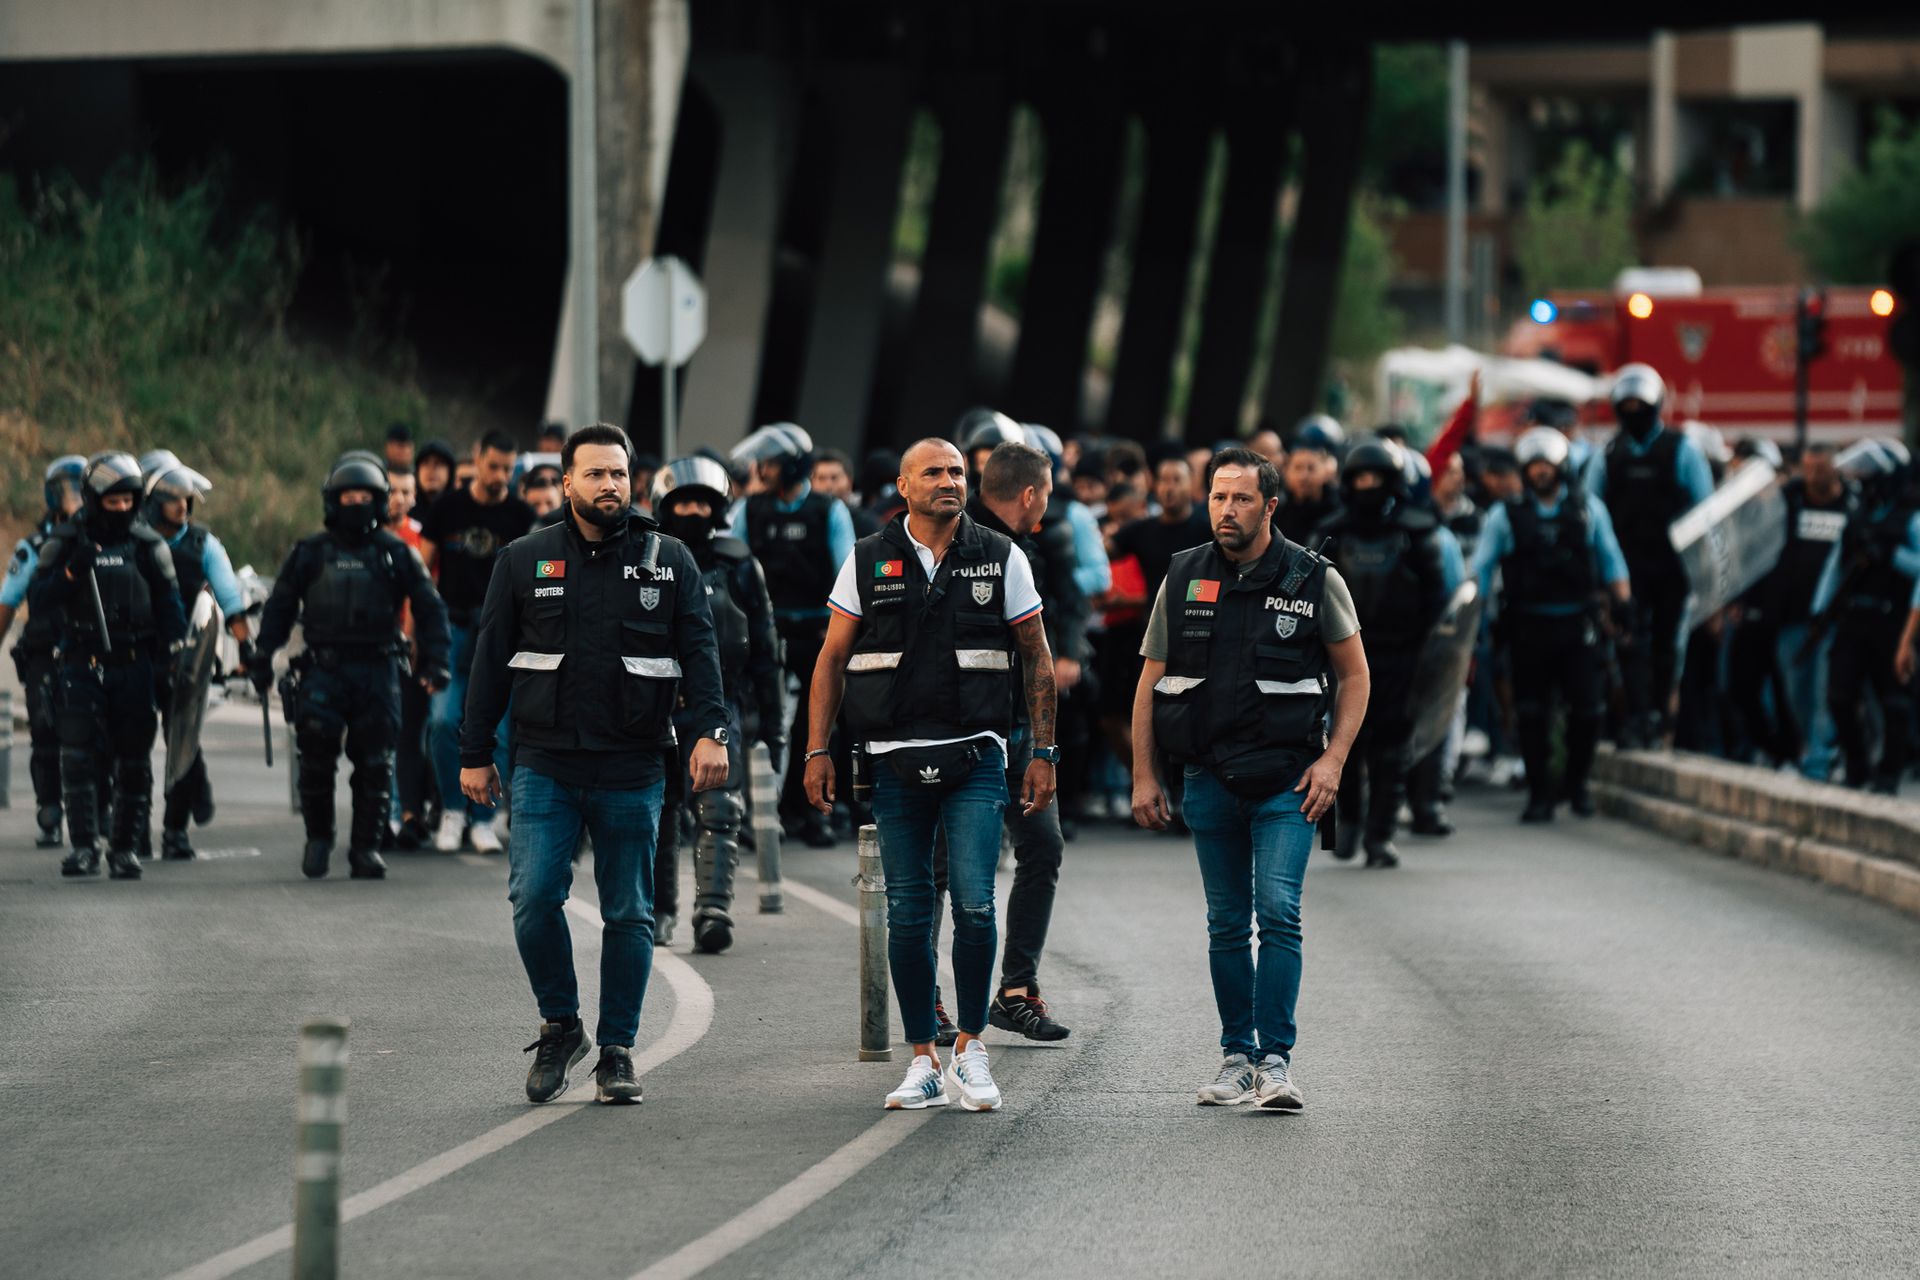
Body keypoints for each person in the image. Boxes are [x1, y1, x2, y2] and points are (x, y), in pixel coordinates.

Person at [459, 423, 729, 1105]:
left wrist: (710, 732)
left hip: (634, 764)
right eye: (596, 474)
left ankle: (616, 1050)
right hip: (545, 762)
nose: (610, 485)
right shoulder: (524, 559)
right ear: (567, 481)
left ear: (632, 480)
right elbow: (489, 660)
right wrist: (473, 754)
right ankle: (561, 1024)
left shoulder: (669, 559)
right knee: (532, 899)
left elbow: (701, 654)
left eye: (619, 473)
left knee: (629, 913)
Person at [805, 437, 1057, 1113]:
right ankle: (922, 1059)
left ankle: (971, 1050)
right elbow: (830, 660)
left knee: (974, 903)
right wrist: (815, 750)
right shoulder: (866, 559)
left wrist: (1043, 752)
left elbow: (1037, 657)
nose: (949, 481)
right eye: (934, 473)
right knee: (911, 914)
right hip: (891, 764)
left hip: (976, 758)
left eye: (956, 472)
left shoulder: (1002, 556)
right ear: (903, 486)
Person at [1131, 447, 1368, 1111]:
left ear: (1269, 506)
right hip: (1208, 779)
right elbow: (1150, 679)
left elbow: (1355, 675)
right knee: (1227, 923)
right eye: (1217, 497)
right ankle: (1236, 1057)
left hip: (1289, 783)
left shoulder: (1314, 577)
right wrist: (1144, 774)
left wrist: (1334, 760)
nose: (1225, 510)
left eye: (1239, 499)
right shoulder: (1183, 576)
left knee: (1278, 912)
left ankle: (1277, 1063)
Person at [928, 440, 1088, 1043]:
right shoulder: (962, 545)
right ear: (1030, 495)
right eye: (1045, 493)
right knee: (941, 872)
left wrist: (1043, 750)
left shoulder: (1027, 551)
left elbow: (1039, 651)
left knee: (1042, 849)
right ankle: (930, 1002)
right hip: (958, 737)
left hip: (1018, 733)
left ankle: (1016, 990)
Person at [253, 455, 450, 878]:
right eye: (348, 496)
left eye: (365, 496)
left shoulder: (395, 553)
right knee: (317, 759)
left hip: (378, 671)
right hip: (323, 670)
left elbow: (430, 607)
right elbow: (280, 607)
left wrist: (436, 660)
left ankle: (365, 848)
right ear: (332, 500)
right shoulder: (310, 552)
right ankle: (319, 839)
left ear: (379, 502)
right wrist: (261, 656)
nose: (356, 503)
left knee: (376, 762)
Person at [648, 456, 784, 953]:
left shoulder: (739, 565)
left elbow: (766, 650)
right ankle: (658, 910)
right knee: (658, 811)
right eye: (683, 502)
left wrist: (774, 725)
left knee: (720, 807)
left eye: (702, 503)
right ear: (664, 505)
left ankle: (714, 909)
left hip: (721, 701)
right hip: (656, 702)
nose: (692, 511)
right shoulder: (643, 559)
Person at [30, 452, 187, 879]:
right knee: (78, 756)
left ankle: (125, 849)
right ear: (93, 498)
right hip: (82, 663)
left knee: (134, 759)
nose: (120, 509)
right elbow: (39, 602)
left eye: (127, 501)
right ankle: (83, 848)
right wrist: (69, 574)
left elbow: (171, 608)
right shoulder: (65, 542)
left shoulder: (149, 545)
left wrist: (173, 658)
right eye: (111, 501)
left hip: (134, 665)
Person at [1474, 428, 1632, 822]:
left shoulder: (1587, 510)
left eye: (1546, 464)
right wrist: (1469, 619)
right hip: (1528, 628)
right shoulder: (1504, 516)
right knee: (1531, 713)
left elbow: (1612, 561)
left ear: (1561, 467)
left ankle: (1576, 785)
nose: (1540, 471)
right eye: (1533, 465)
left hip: (1578, 627)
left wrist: (1623, 603)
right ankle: (1540, 794)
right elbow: (1479, 570)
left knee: (1587, 711)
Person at [1315, 439, 1451, 867]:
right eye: (1360, 478)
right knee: (1346, 742)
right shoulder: (1331, 534)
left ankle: (1381, 835)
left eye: (1375, 478)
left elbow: (1438, 601)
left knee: (1392, 747)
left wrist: (1431, 656)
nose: (1367, 486)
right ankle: (1350, 822)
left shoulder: (1417, 533)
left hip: (1400, 656)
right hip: (1343, 657)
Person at [733, 422, 855, 848]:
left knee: (820, 725)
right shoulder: (749, 510)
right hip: (765, 633)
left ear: (789, 466)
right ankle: (756, 813)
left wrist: (835, 627)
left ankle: (813, 812)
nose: (760, 470)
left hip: (818, 633)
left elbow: (847, 572)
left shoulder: (828, 510)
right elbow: (732, 562)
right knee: (758, 722)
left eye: (768, 463)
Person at [1585, 364, 1714, 746]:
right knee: (1629, 640)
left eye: (1640, 403)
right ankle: (1637, 717)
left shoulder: (1682, 449)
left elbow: (1704, 508)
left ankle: (1659, 713)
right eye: (1626, 403)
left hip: (1672, 566)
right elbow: (1591, 513)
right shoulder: (1608, 455)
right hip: (1626, 567)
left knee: (1665, 643)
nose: (1633, 409)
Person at [421, 429, 536, 852]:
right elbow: (420, 573)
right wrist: (419, 636)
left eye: (507, 468)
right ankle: (453, 811)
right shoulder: (447, 508)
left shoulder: (521, 517)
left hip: (503, 633)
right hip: (452, 627)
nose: (499, 476)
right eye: (493, 466)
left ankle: (484, 818)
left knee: (500, 729)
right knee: (442, 721)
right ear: (476, 459)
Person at [141, 455, 254, 860]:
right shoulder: (131, 538)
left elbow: (230, 600)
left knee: (182, 738)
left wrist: (247, 648)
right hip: (135, 652)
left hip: (185, 656)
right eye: (173, 498)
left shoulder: (203, 543)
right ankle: (134, 828)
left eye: (187, 498)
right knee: (132, 743)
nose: (182, 505)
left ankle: (175, 831)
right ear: (152, 499)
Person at [1811, 439, 1920, 792]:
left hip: (1893, 620)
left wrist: (1890, 556)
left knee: (1894, 701)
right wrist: (1819, 607)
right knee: (1839, 695)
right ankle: (1858, 767)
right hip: (1854, 618)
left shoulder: (1911, 519)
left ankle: (1889, 774)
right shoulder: (1857, 515)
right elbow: (1835, 565)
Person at [0, 456, 89, 848]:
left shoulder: (100, 537)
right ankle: (50, 810)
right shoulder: (33, 547)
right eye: (65, 488)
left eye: (79, 487)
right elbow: (8, 601)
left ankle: (96, 813)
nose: (72, 496)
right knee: (45, 730)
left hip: (88, 651)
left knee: (92, 734)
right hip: (45, 654)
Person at [1761, 443, 1853, 780]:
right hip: (1791, 617)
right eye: (1808, 468)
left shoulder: (1850, 505)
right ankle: (1810, 749)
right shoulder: (1791, 499)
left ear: (1835, 468)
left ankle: (1819, 761)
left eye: (1821, 468)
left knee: (1822, 693)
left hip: (1832, 620)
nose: (1814, 476)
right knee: (1794, 692)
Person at [385, 465, 436, 848]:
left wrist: (414, 637)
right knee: (377, 735)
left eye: (406, 491)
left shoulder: (421, 540)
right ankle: (385, 814)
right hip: (371, 650)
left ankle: (409, 813)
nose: (399, 498)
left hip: (411, 650)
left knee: (411, 733)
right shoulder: (360, 539)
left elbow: (427, 596)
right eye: (391, 490)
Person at [1277, 434, 1341, 545]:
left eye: (1311, 468)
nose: (1304, 476)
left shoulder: (1337, 511)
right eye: (1297, 468)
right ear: (1286, 472)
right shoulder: (1276, 510)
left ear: (1324, 472)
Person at [414, 439, 456, 514]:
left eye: (438, 463)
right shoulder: (406, 514)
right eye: (425, 463)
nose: (431, 470)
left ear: (450, 472)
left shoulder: (460, 511)